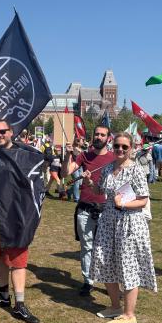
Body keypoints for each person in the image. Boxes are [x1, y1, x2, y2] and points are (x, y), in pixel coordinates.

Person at [83, 131, 156, 323]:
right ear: (112, 147)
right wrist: (90, 181)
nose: (120, 150)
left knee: (127, 265)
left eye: (125, 147)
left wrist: (123, 204)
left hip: (129, 224)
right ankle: (115, 307)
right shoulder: (107, 168)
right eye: (117, 146)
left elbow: (143, 200)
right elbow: (100, 191)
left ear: (131, 149)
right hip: (108, 222)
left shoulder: (136, 170)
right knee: (105, 261)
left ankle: (129, 314)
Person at [0, 119, 46, 323]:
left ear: (11, 132)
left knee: (17, 260)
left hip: (16, 215)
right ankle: (3, 295)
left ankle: (20, 303)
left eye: (3, 132)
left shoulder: (26, 154)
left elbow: (36, 183)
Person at [62, 125, 115, 296]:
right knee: (87, 247)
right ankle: (88, 281)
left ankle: (110, 283)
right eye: (96, 134)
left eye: (102, 135)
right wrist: (68, 155)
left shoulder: (114, 158)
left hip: (107, 209)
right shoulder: (84, 155)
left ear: (108, 138)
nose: (98, 137)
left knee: (108, 247)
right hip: (85, 209)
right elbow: (65, 173)